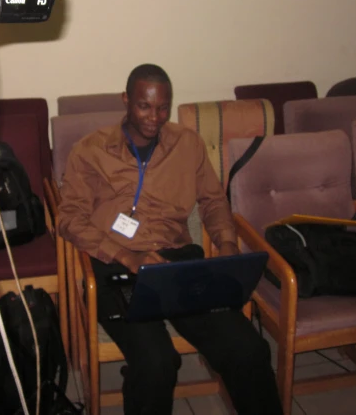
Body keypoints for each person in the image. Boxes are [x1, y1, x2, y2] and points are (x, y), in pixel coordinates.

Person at [58, 63, 283, 415]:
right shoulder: (90, 151)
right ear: (126, 101)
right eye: (144, 106)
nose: (155, 117)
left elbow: (212, 200)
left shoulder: (186, 144)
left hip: (177, 262)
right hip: (115, 265)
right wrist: (128, 257)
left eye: (163, 107)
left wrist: (225, 247)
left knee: (247, 348)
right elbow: (69, 218)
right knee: (157, 362)